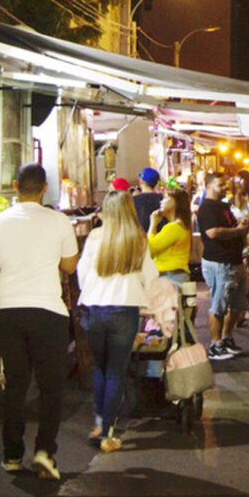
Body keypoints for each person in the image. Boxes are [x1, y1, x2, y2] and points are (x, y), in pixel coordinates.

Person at [0, 163, 79, 479]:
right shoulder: (59, 221)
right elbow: (69, 266)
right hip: (48, 312)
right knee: (51, 386)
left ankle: (11, 455)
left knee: (16, 385)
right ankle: (44, 452)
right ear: (44, 189)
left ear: (14, 186)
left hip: (8, 311)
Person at [77, 190, 158, 453]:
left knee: (100, 368)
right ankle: (108, 434)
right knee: (116, 371)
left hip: (94, 309)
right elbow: (151, 276)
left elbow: (82, 274)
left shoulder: (95, 237)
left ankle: (100, 422)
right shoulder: (138, 239)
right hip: (124, 310)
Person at [196, 173, 249, 360]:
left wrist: (240, 229)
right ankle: (215, 343)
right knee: (218, 304)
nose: (224, 188)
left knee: (237, 303)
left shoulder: (224, 206)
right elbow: (213, 232)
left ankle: (227, 337)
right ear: (209, 186)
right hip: (219, 262)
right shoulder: (207, 208)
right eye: (220, 185)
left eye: (225, 184)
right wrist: (238, 231)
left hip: (234, 260)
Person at [147, 189, 193, 287]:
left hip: (170, 277)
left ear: (175, 202)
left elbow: (149, 249)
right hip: (177, 276)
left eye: (166, 198)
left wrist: (153, 224)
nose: (161, 201)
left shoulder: (173, 227)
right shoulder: (182, 225)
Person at [132, 167, 163, 232]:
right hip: (159, 237)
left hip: (140, 237)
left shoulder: (134, 200)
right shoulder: (163, 199)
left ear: (141, 181)